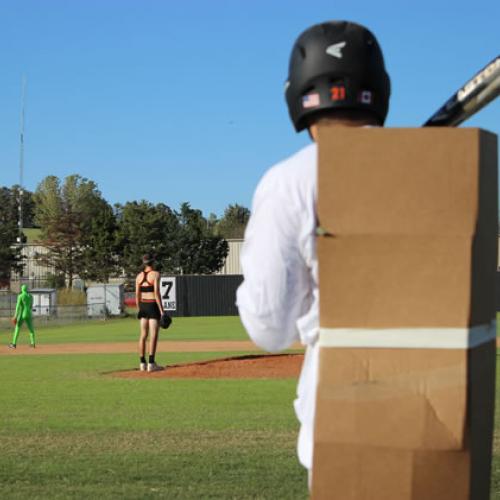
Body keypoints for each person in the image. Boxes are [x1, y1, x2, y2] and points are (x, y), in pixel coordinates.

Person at [236, 20, 391, 481]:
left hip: (343, 431)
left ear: (298, 93)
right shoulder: (445, 173)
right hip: (453, 423)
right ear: (379, 88)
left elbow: (270, 329)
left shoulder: (290, 182)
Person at [135, 254, 165, 372]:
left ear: (144, 263)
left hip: (143, 306)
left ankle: (142, 363)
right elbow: (157, 293)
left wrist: (139, 309)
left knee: (143, 335)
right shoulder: (156, 274)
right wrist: (162, 311)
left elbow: (137, 295)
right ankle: (151, 363)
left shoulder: (138, 276)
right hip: (152, 305)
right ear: (153, 262)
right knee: (153, 335)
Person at [9, 284, 36, 349]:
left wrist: (15, 316)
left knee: (17, 328)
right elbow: (31, 306)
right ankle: (33, 343)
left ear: (22, 289)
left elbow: (17, 307)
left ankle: (14, 344)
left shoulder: (20, 296)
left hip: (22, 314)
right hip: (29, 313)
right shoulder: (31, 296)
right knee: (31, 329)